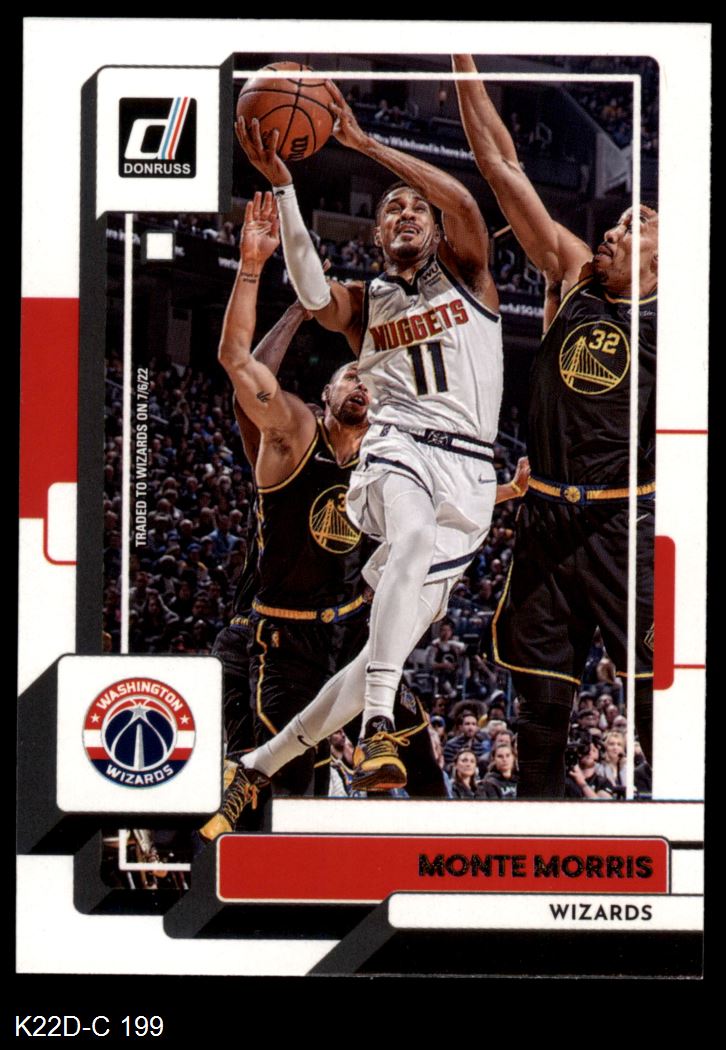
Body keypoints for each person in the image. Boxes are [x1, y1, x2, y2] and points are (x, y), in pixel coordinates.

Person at [234, 79, 510, 795]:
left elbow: (465, 203)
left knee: (373, 662)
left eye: (417, 208)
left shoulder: (469, 275)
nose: (407, 213)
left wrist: (364, 143)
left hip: (470, 476)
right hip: (398, 448)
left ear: (434, 232)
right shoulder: (367, 303)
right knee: (410, 537)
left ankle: (258, 767)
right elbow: (311, 292)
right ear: (378, 236)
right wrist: (286, 187)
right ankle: (379, 728)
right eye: (392, 209)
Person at [452, 55, 657, 798]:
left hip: (626, 526)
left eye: (638, 225)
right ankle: (531, 831)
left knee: (657, 702)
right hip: (545, 518)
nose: (616, 228)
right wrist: (460, 55)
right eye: (619, 219)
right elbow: (501, 164)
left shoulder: (679, 319)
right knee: (539, 714)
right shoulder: (574, 276)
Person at [199, 191, 372, 839]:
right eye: (350, 375)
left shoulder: (384, 460)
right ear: (324, 395)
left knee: (297, 786)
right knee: (259, 782)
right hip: (263, 628)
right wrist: (291, 298)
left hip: (334, 638)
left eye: (370, 379)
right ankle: (223, 871)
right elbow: (242, 372)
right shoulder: (293, 436)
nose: (363, 383)